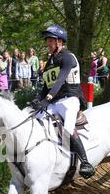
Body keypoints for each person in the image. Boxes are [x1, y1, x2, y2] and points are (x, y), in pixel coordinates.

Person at [31, 24, 94, 179]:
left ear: (59, 41)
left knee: (67, 129)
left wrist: (47, 99)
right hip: (54, 102)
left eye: (50, 40)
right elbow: (47, 86)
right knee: (36, 122)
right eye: (47, 41)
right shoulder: (49, 63)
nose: (47, 44)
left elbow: (60, 80)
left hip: (70, 100)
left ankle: (85, 163)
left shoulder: (67, 57)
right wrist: (38, 99)